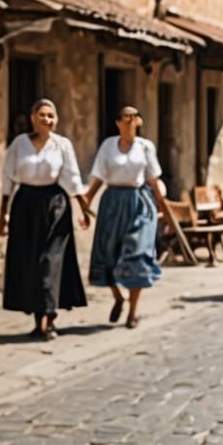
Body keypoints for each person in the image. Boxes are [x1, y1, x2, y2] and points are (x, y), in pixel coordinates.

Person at [0, 99, 90, 341]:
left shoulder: (62, 145)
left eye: (51, 116)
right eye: (42, 115)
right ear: (32, 118)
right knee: (30, 264)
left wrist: (82, 206)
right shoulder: (19, 144)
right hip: (25, 206)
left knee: (50, 261)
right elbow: (8, 179)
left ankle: (48, 317)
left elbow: (72, 176)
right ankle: (41, 319)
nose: (47, 120)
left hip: (55, 206)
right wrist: (2, 214)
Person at [84, 106, 171, 329]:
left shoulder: (145, 147)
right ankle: (118, 298)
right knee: (108, 253)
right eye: (126, 116)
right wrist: (87, 201)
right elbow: (99, 177)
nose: (131, 120)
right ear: (118, 122)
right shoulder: (108, 146)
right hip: (112, 202)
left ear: (139, 121)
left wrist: (164, 209)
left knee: (137, 254)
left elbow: (153, 180)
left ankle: (132, 313)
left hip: (138, 202)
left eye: (135, 116)